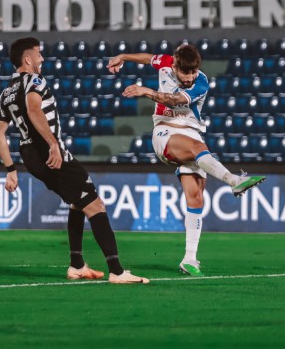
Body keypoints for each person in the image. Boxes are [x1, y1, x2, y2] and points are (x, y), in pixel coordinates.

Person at [0, 37, 148, 284]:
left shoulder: (5, 93)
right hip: (50, 152)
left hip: (29, 156)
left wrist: (10, 169)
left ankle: (77, 265)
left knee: (78, 203)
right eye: (39, 54)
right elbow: (34, 110)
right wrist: (53, 144)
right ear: (28, 59)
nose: (42, 59)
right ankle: (117, 271)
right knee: (96, 205)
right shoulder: (35, 80)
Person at [107, 44, 266, 276]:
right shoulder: (165, 63)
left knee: (195, 196)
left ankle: (189, 259)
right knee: (199, 148)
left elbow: (173, 100)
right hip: (165, 132)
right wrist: (123, 56)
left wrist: (146, 91)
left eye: (194, 71)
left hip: (191, 133)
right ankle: (233, 180)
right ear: (174, 64)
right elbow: (148, 58)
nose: (191, 77)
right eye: (186, 73)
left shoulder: (201, 82)